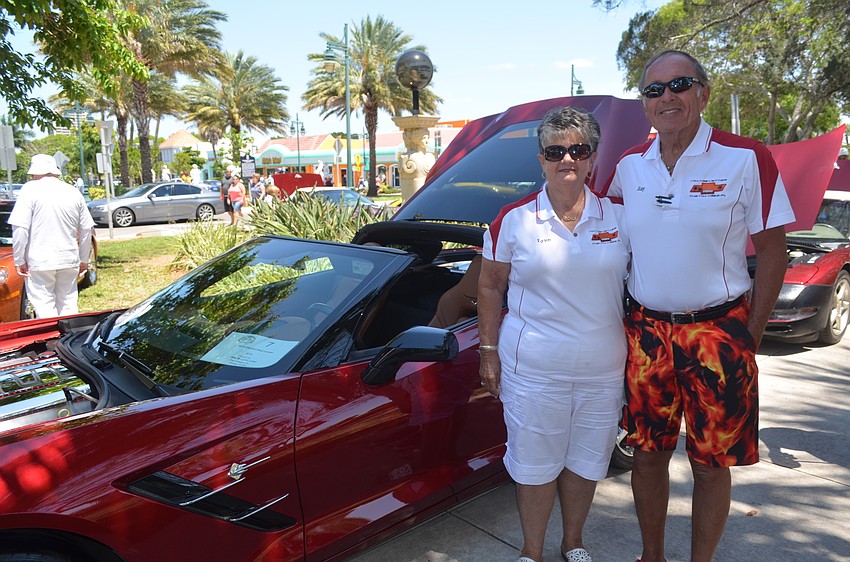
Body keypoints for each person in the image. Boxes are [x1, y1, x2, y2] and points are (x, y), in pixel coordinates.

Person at [600, 50, 795, 562]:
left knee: (711, 465)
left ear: (703, 93)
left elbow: (774, 251)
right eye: (654, 90)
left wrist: (749, 335)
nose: (667, 97)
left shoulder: (745, 156)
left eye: (679, 84)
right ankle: (652, 557)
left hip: (718, 334)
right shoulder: (628, 168)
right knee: (646, 457)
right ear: (644, 105)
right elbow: (600, 240)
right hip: (646, 335)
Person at [478, 107, 630, 562]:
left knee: (586, 461)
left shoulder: (620, 218)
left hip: (603, 370)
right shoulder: (514, 219)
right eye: (556, 151)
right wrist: (488, 351)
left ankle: (573, 543)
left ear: (593, 158)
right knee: (534, 464)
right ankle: (532, 551)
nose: (568, 159)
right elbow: (489, 284)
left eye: (578, 150)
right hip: (534, 370)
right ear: (541, 159)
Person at [9, 154, 95, 318]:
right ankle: (69, 339)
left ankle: (52, 341)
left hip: (39, 260)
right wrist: (84, 259)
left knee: (44, 307)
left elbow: (20, 228)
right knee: (69, 305)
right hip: (69, 258)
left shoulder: (29, 190)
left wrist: (19, 259)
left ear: (35, 172)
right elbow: (86, 229)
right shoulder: (72, 191)